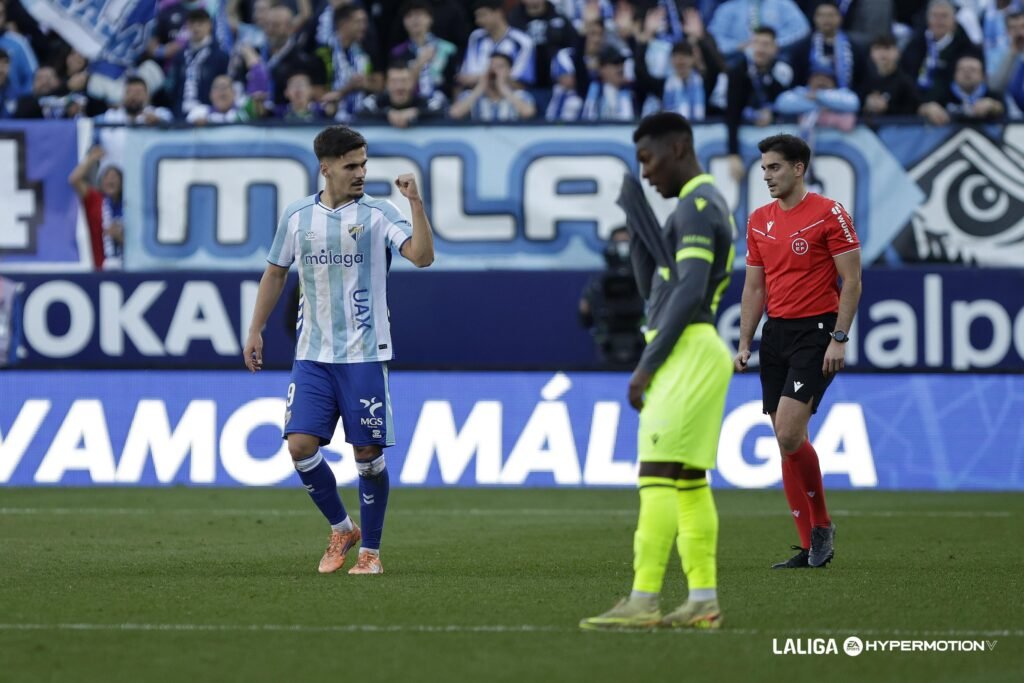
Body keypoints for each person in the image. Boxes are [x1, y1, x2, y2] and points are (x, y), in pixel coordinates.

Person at [244, 125, 435, 576]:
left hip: (365, 353)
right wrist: (255, 329)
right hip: (312, 354)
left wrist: (416, 204)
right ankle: (341, 528)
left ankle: (370, 552)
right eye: (351, 166)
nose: (361, 173)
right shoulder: (296, 217)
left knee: (366, 455)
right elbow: (274, 274)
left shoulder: (379, 213)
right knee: (299, 447)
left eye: (364, 164)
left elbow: (423, 257)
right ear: (325, 168)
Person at [580, 112, 735, 631]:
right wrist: (642, 226)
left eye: (648, 158)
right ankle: (702, 600)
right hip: (696, 349)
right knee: (689, 482)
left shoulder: (696, 207)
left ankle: (644, 599)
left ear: (679, 146)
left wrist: (646, 367)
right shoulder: (699, 206)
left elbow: (688, 294)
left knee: (657, 477)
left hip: (686, 353)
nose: (646, 171)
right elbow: (660, 291)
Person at [733, 134, 862, 570]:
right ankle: (809, 547)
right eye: (764, 168)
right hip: (777, 334)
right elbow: (754, 285)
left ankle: (821, 525)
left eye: (774, 167)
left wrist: (839, 338)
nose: (767, 175)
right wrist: (746, 339)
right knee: (787, 441)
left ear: (798, 168)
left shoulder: (830, 214)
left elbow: (852, 282)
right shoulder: (758, 220)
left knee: (789, 433)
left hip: (817, 330)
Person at [578, 227, 645, 368]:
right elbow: (585, 320)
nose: (623, 249)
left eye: (627, 243)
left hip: (641, 344)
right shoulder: (599, 283)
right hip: (608, 345)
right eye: (618, 243)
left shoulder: (649, 280)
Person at [68, 144, 123, 271]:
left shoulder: (129, 204)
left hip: (124, 268)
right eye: (107, 176)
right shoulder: (94, 198)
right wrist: (91, 158)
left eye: (115, 177)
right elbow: (74, 179)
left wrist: (120, 237)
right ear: (101, 182)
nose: (111, 179)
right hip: (96, 267)